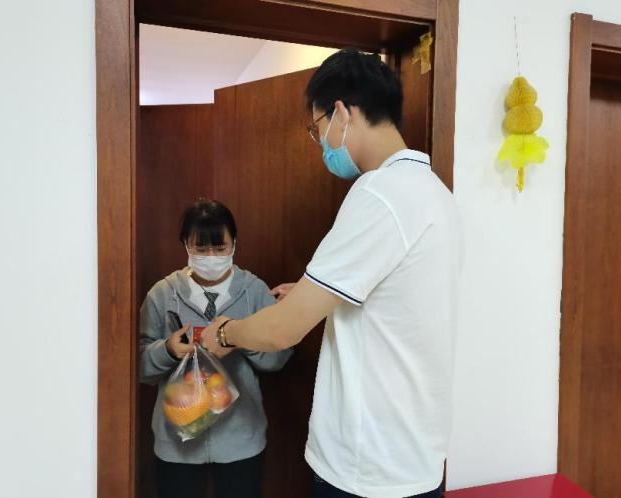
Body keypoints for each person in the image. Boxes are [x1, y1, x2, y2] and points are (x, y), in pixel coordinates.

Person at [201, 48, 463, 498]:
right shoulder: (435, 193)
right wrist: (312, 293)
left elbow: (281, 331)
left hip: (365, 469)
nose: (321, 141)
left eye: (316, 127)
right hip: (416, 457)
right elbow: (394, 300)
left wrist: (224, 333)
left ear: (341, 112)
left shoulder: (379, 193)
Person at [139, 199, 292, 498]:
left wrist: (240, 337)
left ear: (234, 244)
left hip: (241, 440)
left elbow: (277, 359)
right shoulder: (163, 294)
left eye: (220, 248)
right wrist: (167, 350)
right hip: (177, 443)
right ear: (185, 244)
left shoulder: (254, 292)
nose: (211, 257)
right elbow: (138, 367)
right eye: (200, 248)